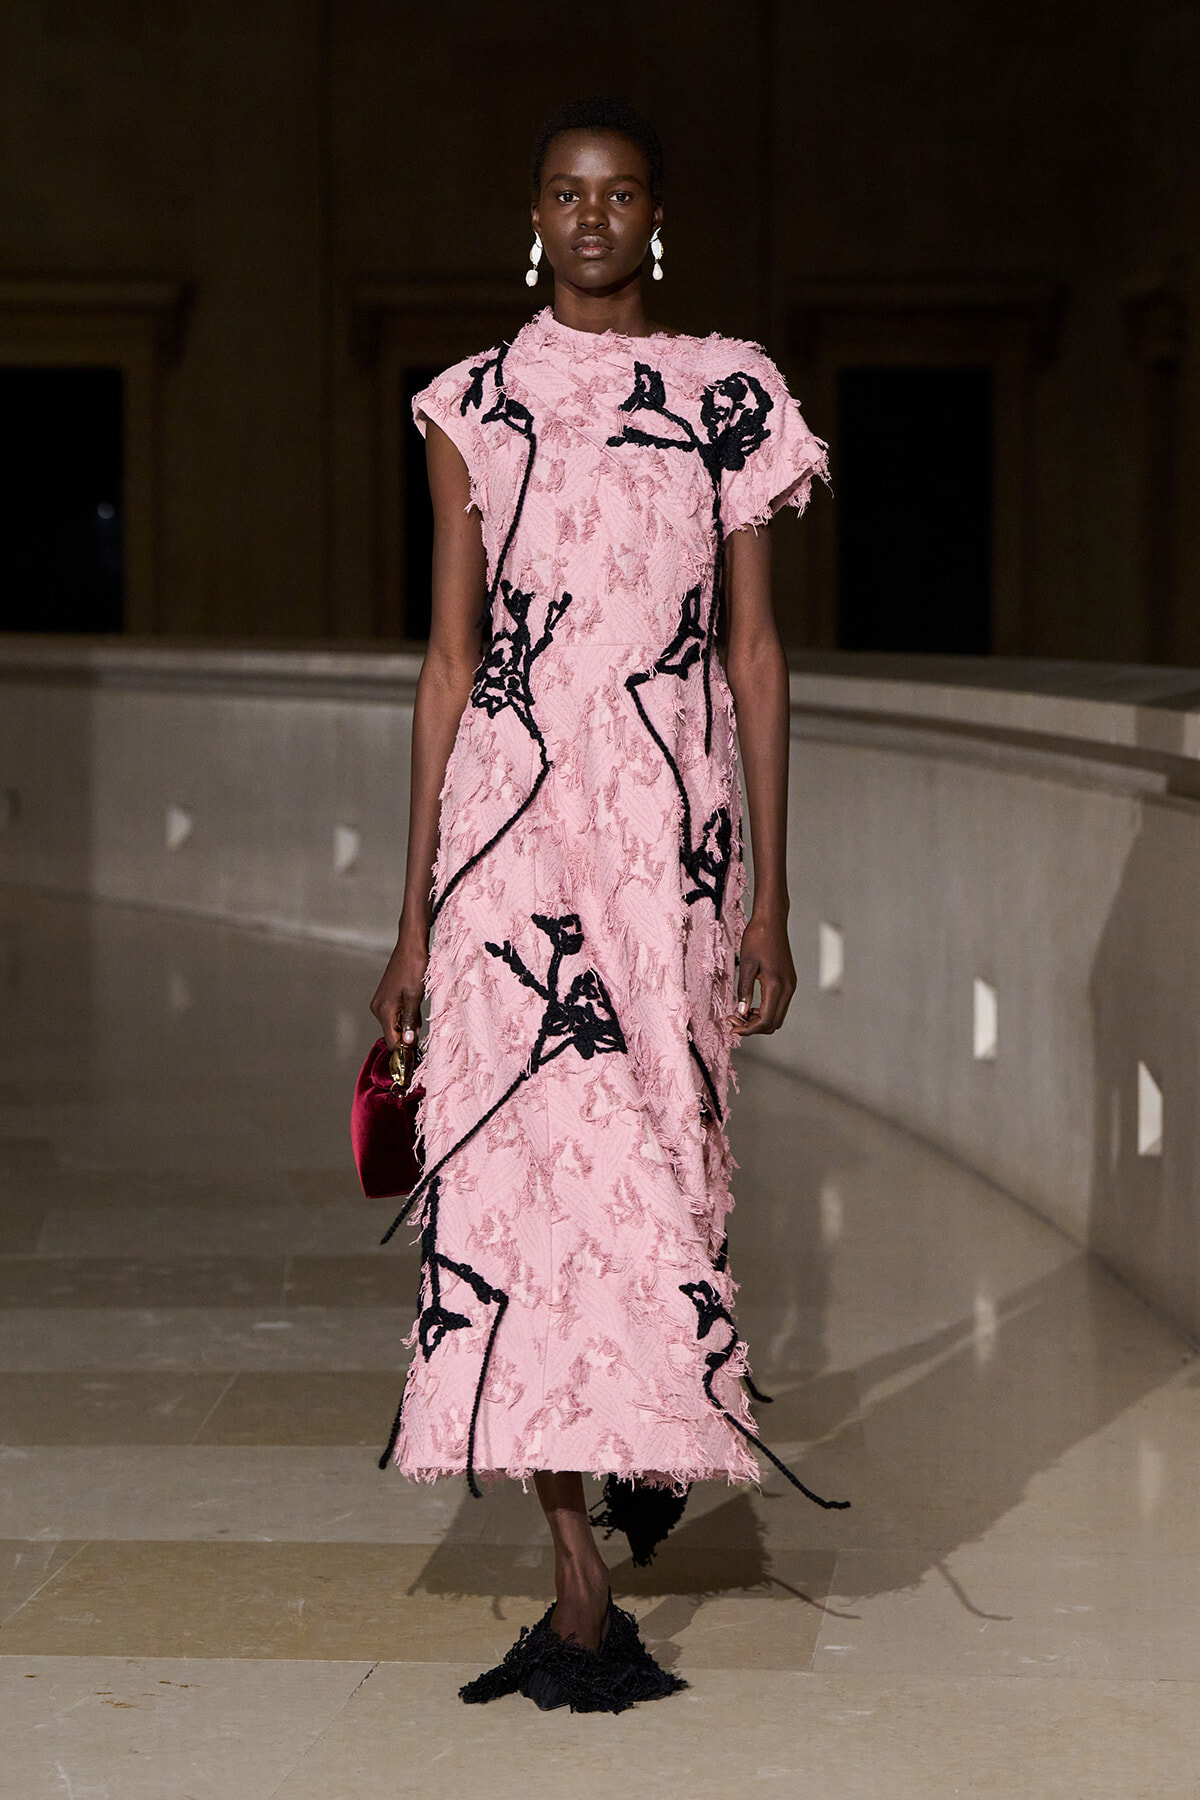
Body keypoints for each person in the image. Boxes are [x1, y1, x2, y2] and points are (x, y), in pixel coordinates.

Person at [369, 95, 838, 1714]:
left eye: (621, 193)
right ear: (533, 214)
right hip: (509, 839)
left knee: (662, 1171)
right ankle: (576, 1582)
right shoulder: (472, 404)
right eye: (567, 193)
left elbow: (755, 656)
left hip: (671, 844)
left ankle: (645, 1425)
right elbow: (448, 664)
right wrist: (414, 920)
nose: (592, 217)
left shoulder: (729, 394)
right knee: (518, 1184)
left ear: (657, 219)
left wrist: (773, 895)